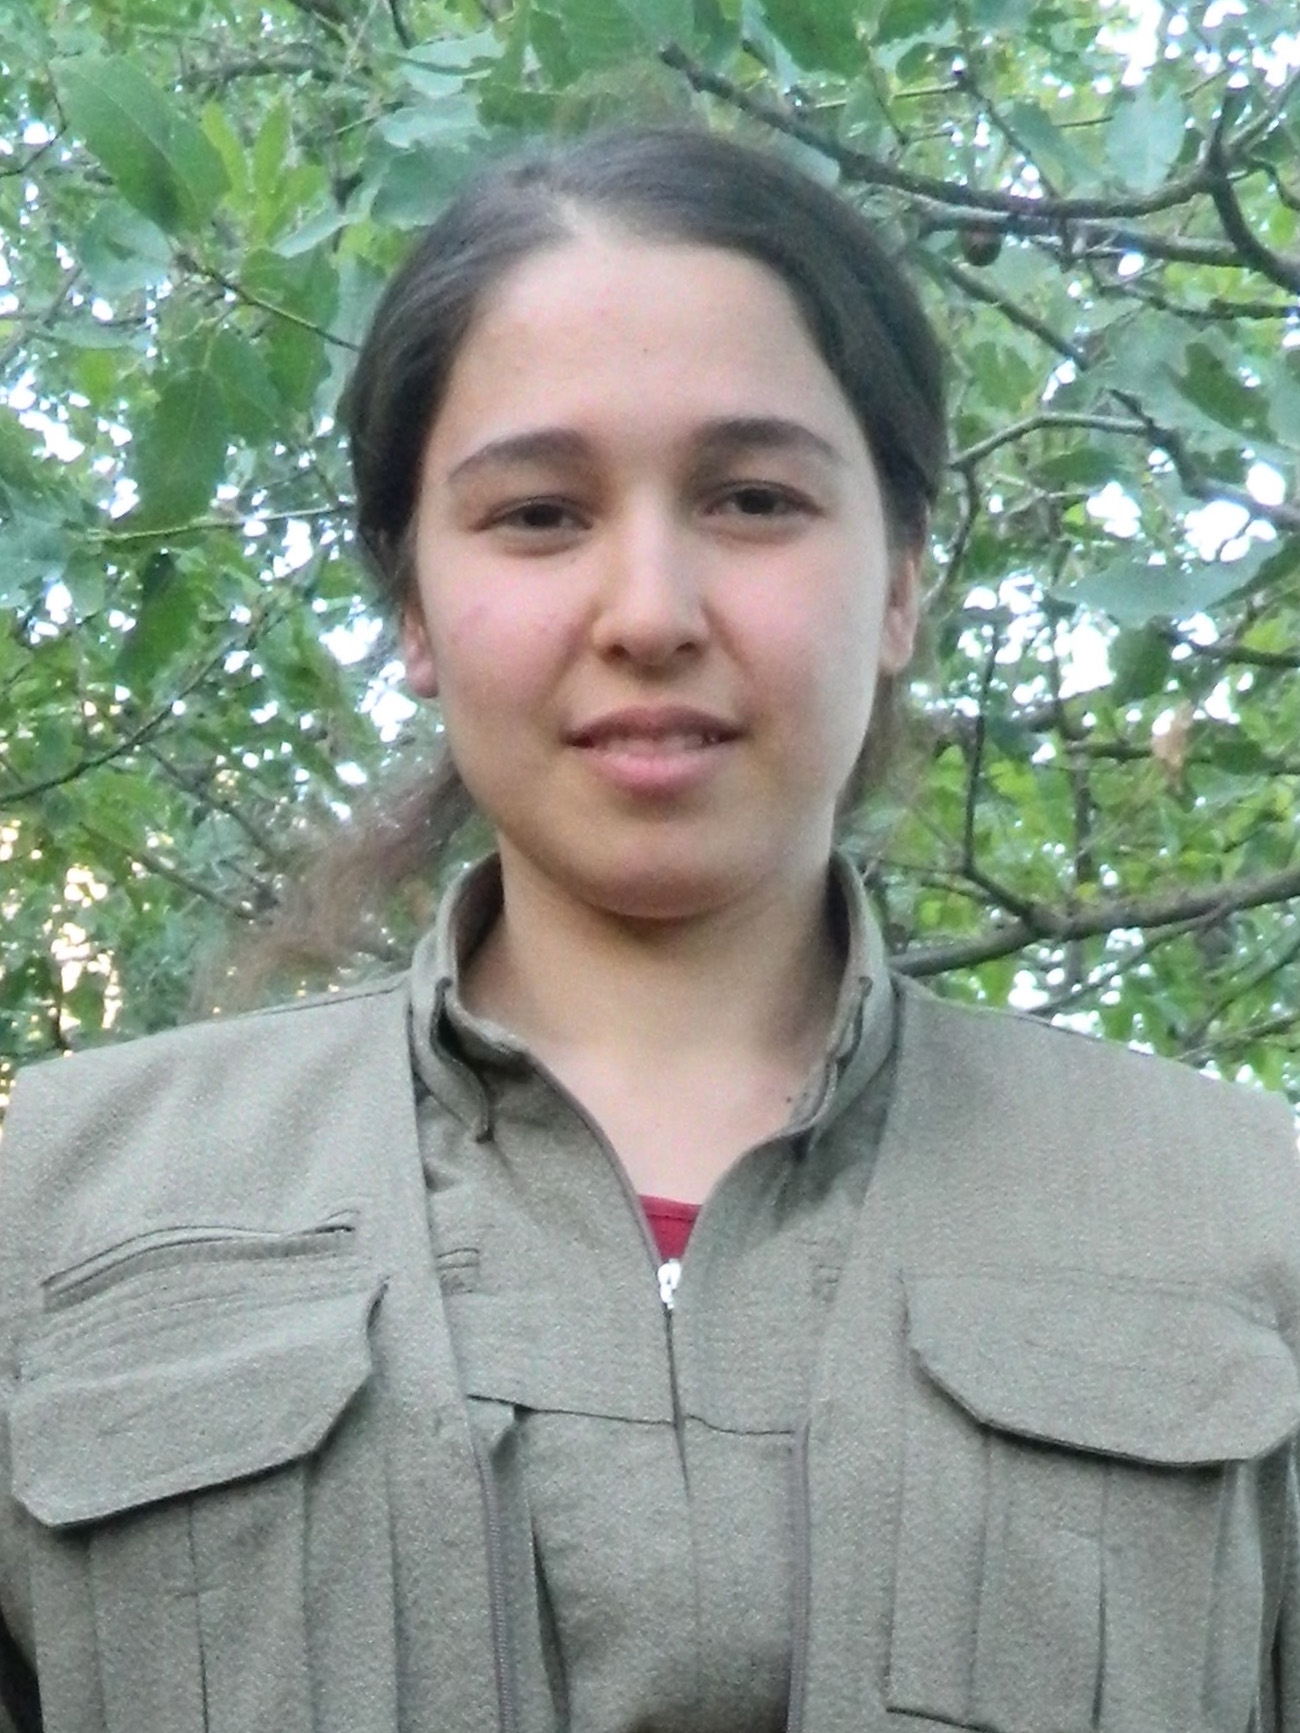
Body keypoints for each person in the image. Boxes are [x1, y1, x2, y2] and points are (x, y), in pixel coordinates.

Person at [1, 123, 1298, 1733]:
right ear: (412, 604)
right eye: (540, 514)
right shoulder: (59, 1212)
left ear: (902, 580)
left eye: (753, 498)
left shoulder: (1243, 1222)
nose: (650, 612)